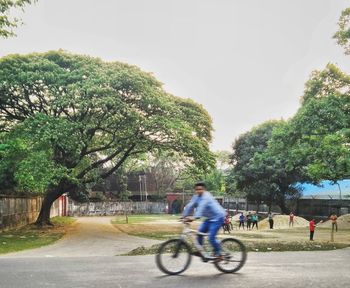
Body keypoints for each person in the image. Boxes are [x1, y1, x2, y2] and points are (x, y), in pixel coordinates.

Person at [183, 182, 226, 259]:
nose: (198, 191)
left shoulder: (206, 196)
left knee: (211, 238)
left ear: (204, 189)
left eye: (200, 189)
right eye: (197, 189)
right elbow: (190, 205)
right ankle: (201, 252)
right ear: (195, 190)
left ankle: (219, 253)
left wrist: (194, 217)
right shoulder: (196, 197)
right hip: (209, 218)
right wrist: (184, 216)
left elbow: (201, 207)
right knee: (200, 232)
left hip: (218, 217)